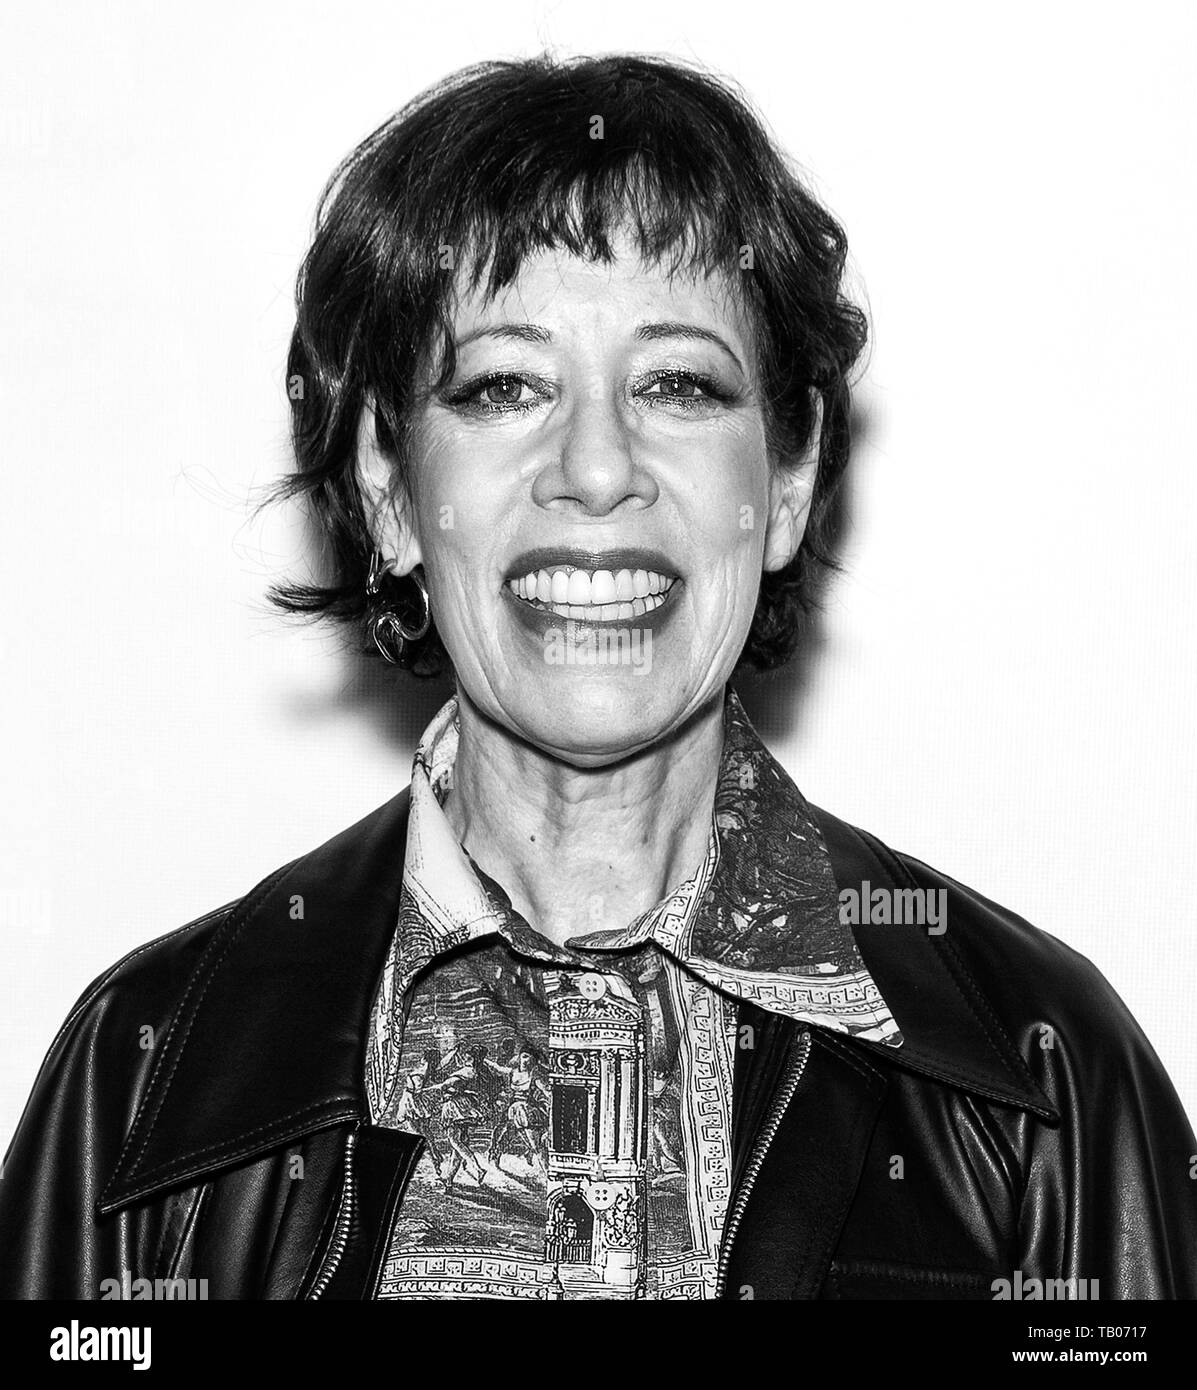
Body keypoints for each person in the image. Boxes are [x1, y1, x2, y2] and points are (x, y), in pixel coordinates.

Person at [2, 51, 1195, 1301]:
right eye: (505, 385)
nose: (596, 465)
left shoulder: (1043, 1074)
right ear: (388, 490)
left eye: (677, 383)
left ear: (784, 485)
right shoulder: (144, 1077)